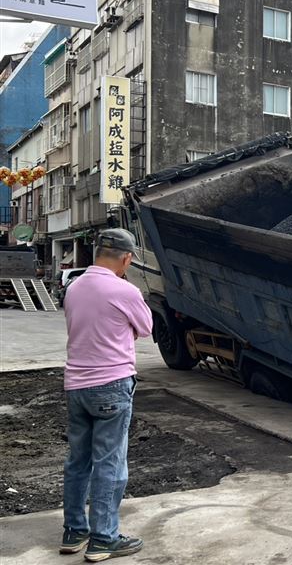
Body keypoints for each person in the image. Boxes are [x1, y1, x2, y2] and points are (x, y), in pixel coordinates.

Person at [60, 229, 153, 561]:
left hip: (76, 384)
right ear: (126, 258)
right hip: (112, 384)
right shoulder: (125, 290)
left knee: (78, 460)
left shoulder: (73, 288)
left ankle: (74, 531)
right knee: (110, 463)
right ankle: (104, 538)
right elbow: (145, 328)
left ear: (97, 251)